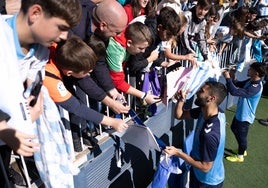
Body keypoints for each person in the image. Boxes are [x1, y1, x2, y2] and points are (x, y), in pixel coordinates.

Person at [0, 0, 82, 186]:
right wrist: (4, 130)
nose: (64, 37)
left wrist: (33, 104)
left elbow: (31, 86)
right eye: (61, 27)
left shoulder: (40, 51)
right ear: (35, 13)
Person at [44, 36, 128, 151]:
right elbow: (77, 108)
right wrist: (112, 122)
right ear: (69, 73)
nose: (89, 74)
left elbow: (86, 83)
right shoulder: (49, 80)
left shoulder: (61, 49)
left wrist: (111, 103)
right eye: (87, 72)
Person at [164, 81, 228, 187]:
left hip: (207, 181)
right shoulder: (207, 110)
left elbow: (205, 167)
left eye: (201, 91)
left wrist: (177, 153)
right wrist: (181, 100)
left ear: (211, 99)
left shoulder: (210, 135)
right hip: (198, 172)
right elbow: (179, 115)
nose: (197, 92)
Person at [106, 21, 161, 104]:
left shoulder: (129, 36)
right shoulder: (116, 51)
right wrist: (144, 95)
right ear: (129, 43)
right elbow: (118, 82)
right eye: (140, 48)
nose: (143, 51)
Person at [222, 62, 267, 162]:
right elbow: (238, 84)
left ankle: (240, 156)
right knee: (234, 128)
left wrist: (227, 78)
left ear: (256, 73)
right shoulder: (251, 81)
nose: (248, 70)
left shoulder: (255, 87)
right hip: (240, 114)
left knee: (242, 137)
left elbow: (234, 92)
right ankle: (242, 149)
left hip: (245, 117)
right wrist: (232, 76)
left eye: (250, 69)